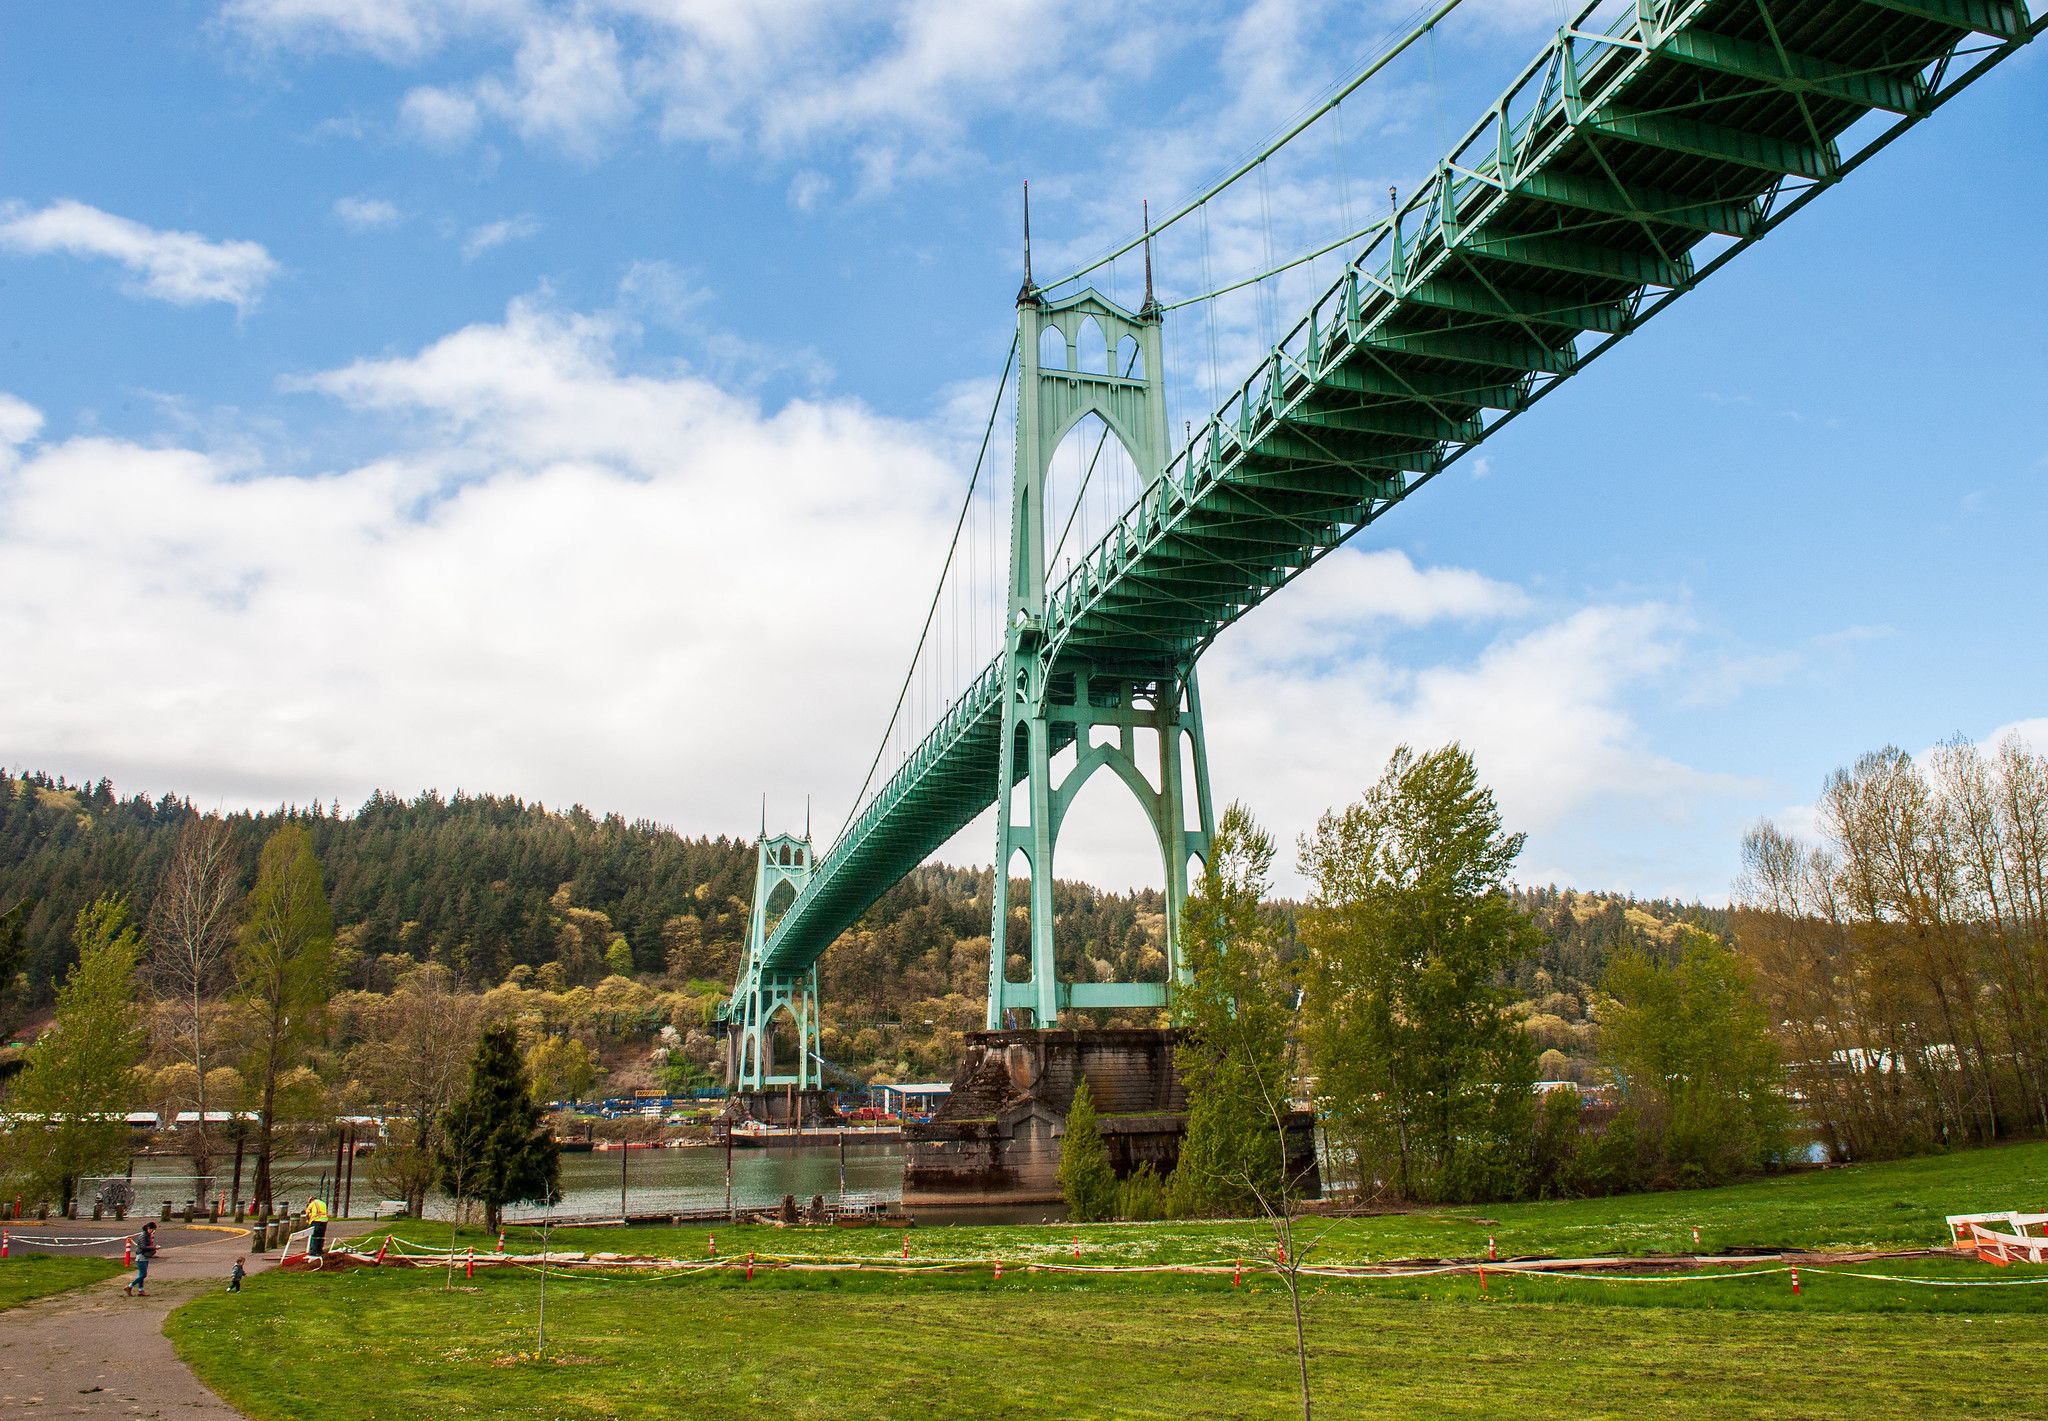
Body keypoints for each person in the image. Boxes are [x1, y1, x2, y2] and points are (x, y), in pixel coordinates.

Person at [123, 1221, 159, 1296]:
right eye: (152, 1229)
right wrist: (154, 1247)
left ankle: (140, 1290)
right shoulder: (143, 1236)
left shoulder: (147, 1235)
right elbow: (143, 1247)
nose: (153, 1231)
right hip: (141, 1256)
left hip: (144, 1256)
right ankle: (130, 1286)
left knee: (141, 1274)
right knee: (143, 1275)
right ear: (149, 1228)